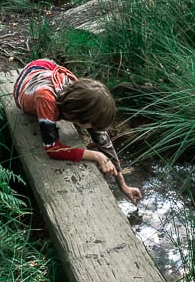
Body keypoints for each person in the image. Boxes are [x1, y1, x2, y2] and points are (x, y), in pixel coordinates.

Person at [13, 59, 142, 204]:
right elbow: (53, 149)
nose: (95, 127)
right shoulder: (46, 99)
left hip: (46, 68)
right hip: (26, 84)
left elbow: (104, 142)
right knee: (47, 104)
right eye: (93, 123)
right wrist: (96, 156)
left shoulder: (79, 94)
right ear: (82, 116)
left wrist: (123, 186)